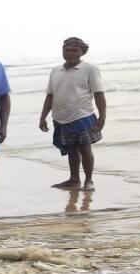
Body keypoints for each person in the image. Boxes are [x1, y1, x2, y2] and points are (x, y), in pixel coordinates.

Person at [40, 37, 105, 192]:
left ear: (82, 51)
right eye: (67, 50)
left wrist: (102, 116)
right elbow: (50, 95)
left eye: (75, 50)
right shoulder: (55, 71)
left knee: (84, 148)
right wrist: (43, 117)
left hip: (82, 115)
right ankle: (74, 179)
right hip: (61, 117)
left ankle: (89, 181)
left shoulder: (90, 69)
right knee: (71, 149)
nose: (70, 53)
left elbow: (99, 94)